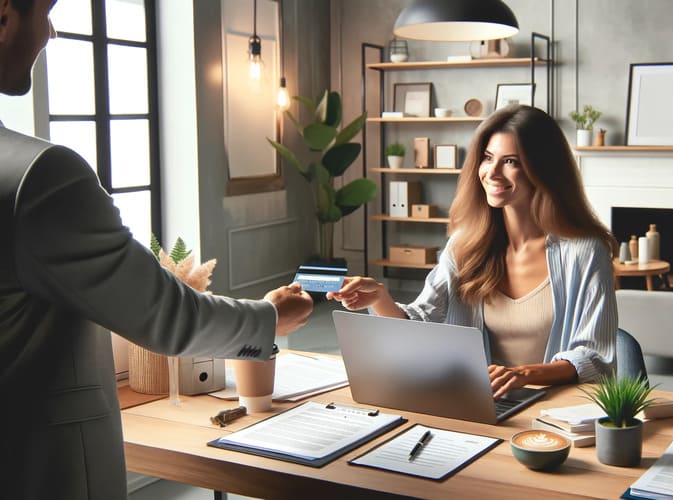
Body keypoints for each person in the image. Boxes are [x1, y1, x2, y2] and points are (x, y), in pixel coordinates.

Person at [0, 0, 315, 497]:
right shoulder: (40, 178)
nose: (51, 32)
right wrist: (268, 317)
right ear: (3, 15)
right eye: (45, 10)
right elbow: (167, 316)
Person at [329, 104, 619, 398]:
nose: (492, 172)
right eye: (488, 158)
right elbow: (422, 321)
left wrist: (523, 374)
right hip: (477, 404)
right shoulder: (465, 245)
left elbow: (596, 357)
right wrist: (380, 298)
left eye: (510, 161)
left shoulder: (584, 252)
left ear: (543, 170)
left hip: (553, 413)